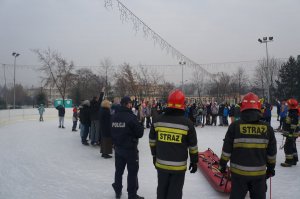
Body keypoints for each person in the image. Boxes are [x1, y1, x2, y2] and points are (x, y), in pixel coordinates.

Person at [219, 92, 277, 199]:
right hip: (259, 175)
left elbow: (227, 150)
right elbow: (272, 153)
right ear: (258, 108)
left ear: (243, 107)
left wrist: (222, 165)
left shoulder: (235, 126)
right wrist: (271, 169)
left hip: (238, 175)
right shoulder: (267, 128)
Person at [149, 89, 198, 199]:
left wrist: (154, 155)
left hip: (161, 164)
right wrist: (194, 161)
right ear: (182, 105)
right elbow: (193, 146)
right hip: (178, 167)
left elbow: (152, 140)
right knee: (175, 193)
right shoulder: (187, 124)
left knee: (162, 190)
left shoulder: (157, 120)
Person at [111, 96, 144, 199]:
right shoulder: (131, 117)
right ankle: (132, 194)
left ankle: (117, 190)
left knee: (119, 171)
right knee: (132, 172)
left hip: (118, 148)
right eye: (130, 103)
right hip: (130, 149)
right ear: (127, 104)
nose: (131, 105)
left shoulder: (114, 116)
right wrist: (141, 123)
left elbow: (110, 131)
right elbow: (139, 133)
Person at [281, 98, 299, 167]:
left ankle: (289, 161)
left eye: (288, 104)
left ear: (291, 105)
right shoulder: (292, 112)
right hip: (291, 133)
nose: (287, 105)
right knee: (292, 146)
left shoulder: (293, 113)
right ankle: (294, 160)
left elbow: (293, 125)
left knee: (288, 147)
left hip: (291, 134)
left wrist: (290, 134)